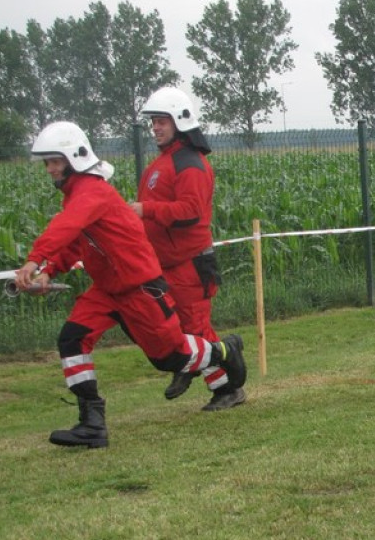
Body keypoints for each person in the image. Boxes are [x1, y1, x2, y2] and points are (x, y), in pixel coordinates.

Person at [14, 121, 247, 449]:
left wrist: (34, 260)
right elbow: (75, 242)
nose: (50, 169)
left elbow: (65, 227)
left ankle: (224, 351)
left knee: (171, 357)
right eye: (47, 163)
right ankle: (92, 423)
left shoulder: (91, 192)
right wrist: (49, 270)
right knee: (72, 339)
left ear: (74, 158)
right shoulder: (78, 196)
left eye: (55, 161)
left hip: (140, 288)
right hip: (108, 290)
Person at [132, 86, 245, 411]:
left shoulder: (190, 164)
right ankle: (197, 371)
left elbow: (191, 211)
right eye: (153, 122)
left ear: (179, 121)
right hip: (166, 263)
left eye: (161, 121)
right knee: (176, 327)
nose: (155, 127)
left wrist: (145, 210)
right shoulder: (163, 163)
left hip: (190, 264)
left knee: (196, 329)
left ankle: (227, 387)